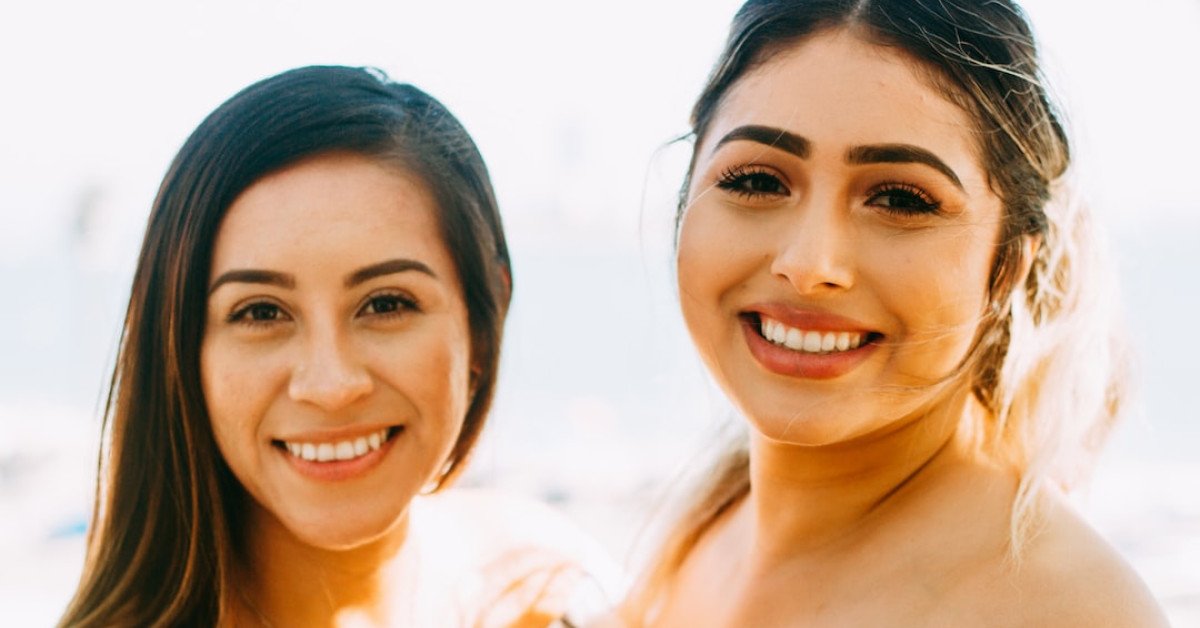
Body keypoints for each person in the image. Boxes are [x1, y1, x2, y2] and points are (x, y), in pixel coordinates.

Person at [609, 1, 1169, 626]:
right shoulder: (693, 544)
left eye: (901, 198)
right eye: (757, 181)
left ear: (1007, 267)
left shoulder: (1063, 610)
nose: (809, 262)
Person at [58, 65, 606, 628]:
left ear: (483, 324)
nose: (331, 385)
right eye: (261, 312)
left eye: (387, 303)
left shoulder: (555, 592)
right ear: (181, 352)